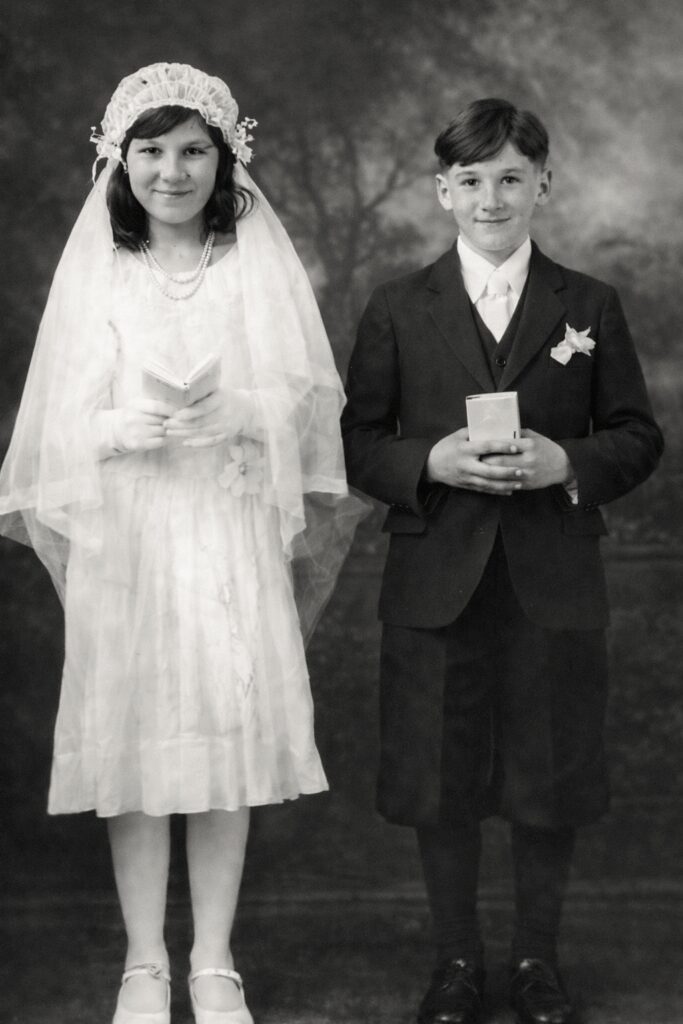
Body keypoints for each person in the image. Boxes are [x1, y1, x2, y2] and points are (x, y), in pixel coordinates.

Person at [0, 62, 360, 1024]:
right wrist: (116, 428)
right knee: (137, 746)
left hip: (225, 528)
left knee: (224, 743)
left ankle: (213, 960)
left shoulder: (252, 267)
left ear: (224, 160)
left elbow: (307, 402)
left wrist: (244, 409)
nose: (173, 171)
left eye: (194, 150)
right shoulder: (101, 270)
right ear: (120, 162)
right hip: (129, 538)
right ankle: (143, 963)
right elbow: (48, 428)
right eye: (152, 151)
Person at [341, 98, 663, 1024]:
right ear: (442, 191)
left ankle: (534, 961)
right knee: (439, 776)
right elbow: (358, 440)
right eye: (472, 181)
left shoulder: (586, 305)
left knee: (547, 772)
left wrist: (570, 463)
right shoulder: (398, 305)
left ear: (543, 186)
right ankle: (454, 961)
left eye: (511, 178)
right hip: (434, 578)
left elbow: (636, 434)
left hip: (550, 577)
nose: (491, 198)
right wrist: (427, 463)